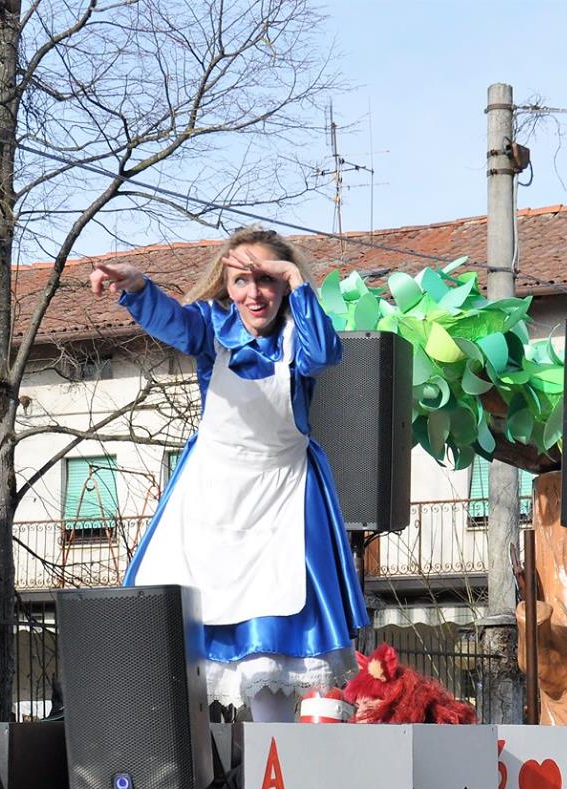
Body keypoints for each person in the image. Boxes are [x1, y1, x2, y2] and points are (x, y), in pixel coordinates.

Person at [90, 226, 368, 723]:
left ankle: (273, 780)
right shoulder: (210, 325)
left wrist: (299, 282)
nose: (253, 293)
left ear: (284, 284)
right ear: (226, 283)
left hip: (281, 498)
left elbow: (326, 355)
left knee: (273, 638)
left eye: (266, 279)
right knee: (180, 626)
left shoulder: (298, 335)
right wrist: (137, 287)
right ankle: (166, 780)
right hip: (210, 495)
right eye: (241, 280)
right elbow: (173, 322)